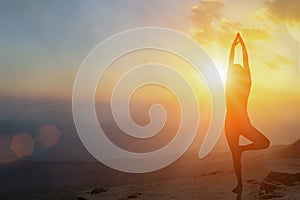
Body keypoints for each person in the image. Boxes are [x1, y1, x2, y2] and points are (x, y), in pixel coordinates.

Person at [225, 33, 270, 193]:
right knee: (237, 156)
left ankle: (241, 150)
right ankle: (239, 184)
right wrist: (241, 46)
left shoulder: (237, 86)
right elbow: (241, 64)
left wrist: (235, 47)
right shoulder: (239, 86)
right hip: (235, 124)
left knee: (263, 143)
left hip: (238, 124)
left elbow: (234, 65)